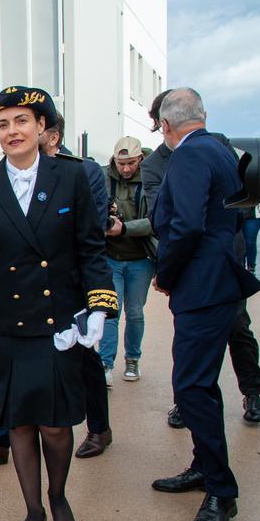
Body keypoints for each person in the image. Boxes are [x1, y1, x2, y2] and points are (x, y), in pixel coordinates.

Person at [0, 86, 117, 521]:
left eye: (21, 121)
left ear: (42, 127)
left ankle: (58, 498)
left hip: (58, 321)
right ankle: (33, 511)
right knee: (20, 422)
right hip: (6, 322)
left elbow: (90, 249)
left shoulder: (73, 176)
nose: (12, 131)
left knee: (55, 425)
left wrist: (100, 304)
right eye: (3, 125)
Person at [149, 87, 260, 521]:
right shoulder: (220, 152)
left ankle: (221, 490)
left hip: (203, 286)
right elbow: (236, 214)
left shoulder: (189, 156)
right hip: (219, 281)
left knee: (192, 387)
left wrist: (168, 272)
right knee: (200, 385)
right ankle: (202, 466)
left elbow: (187, 224)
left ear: (167, 126)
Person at [99, 136, 154, 384]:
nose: (126, 168)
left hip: (141, 258)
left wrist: (125, 228)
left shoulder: (152, 180)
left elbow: (157, 220)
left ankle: (132, 359)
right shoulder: (103, 178)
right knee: (111, 311)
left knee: (134, 313)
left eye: (131, 163)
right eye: (121, 163)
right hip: (111, 257)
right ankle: (105, 363)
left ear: (140, 158)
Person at [241, 204, 260, 274]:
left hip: (254, 216)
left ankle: (251, 267)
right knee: (238, 243)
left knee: (249, 242)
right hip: (235, 214)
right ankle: (240, 266)